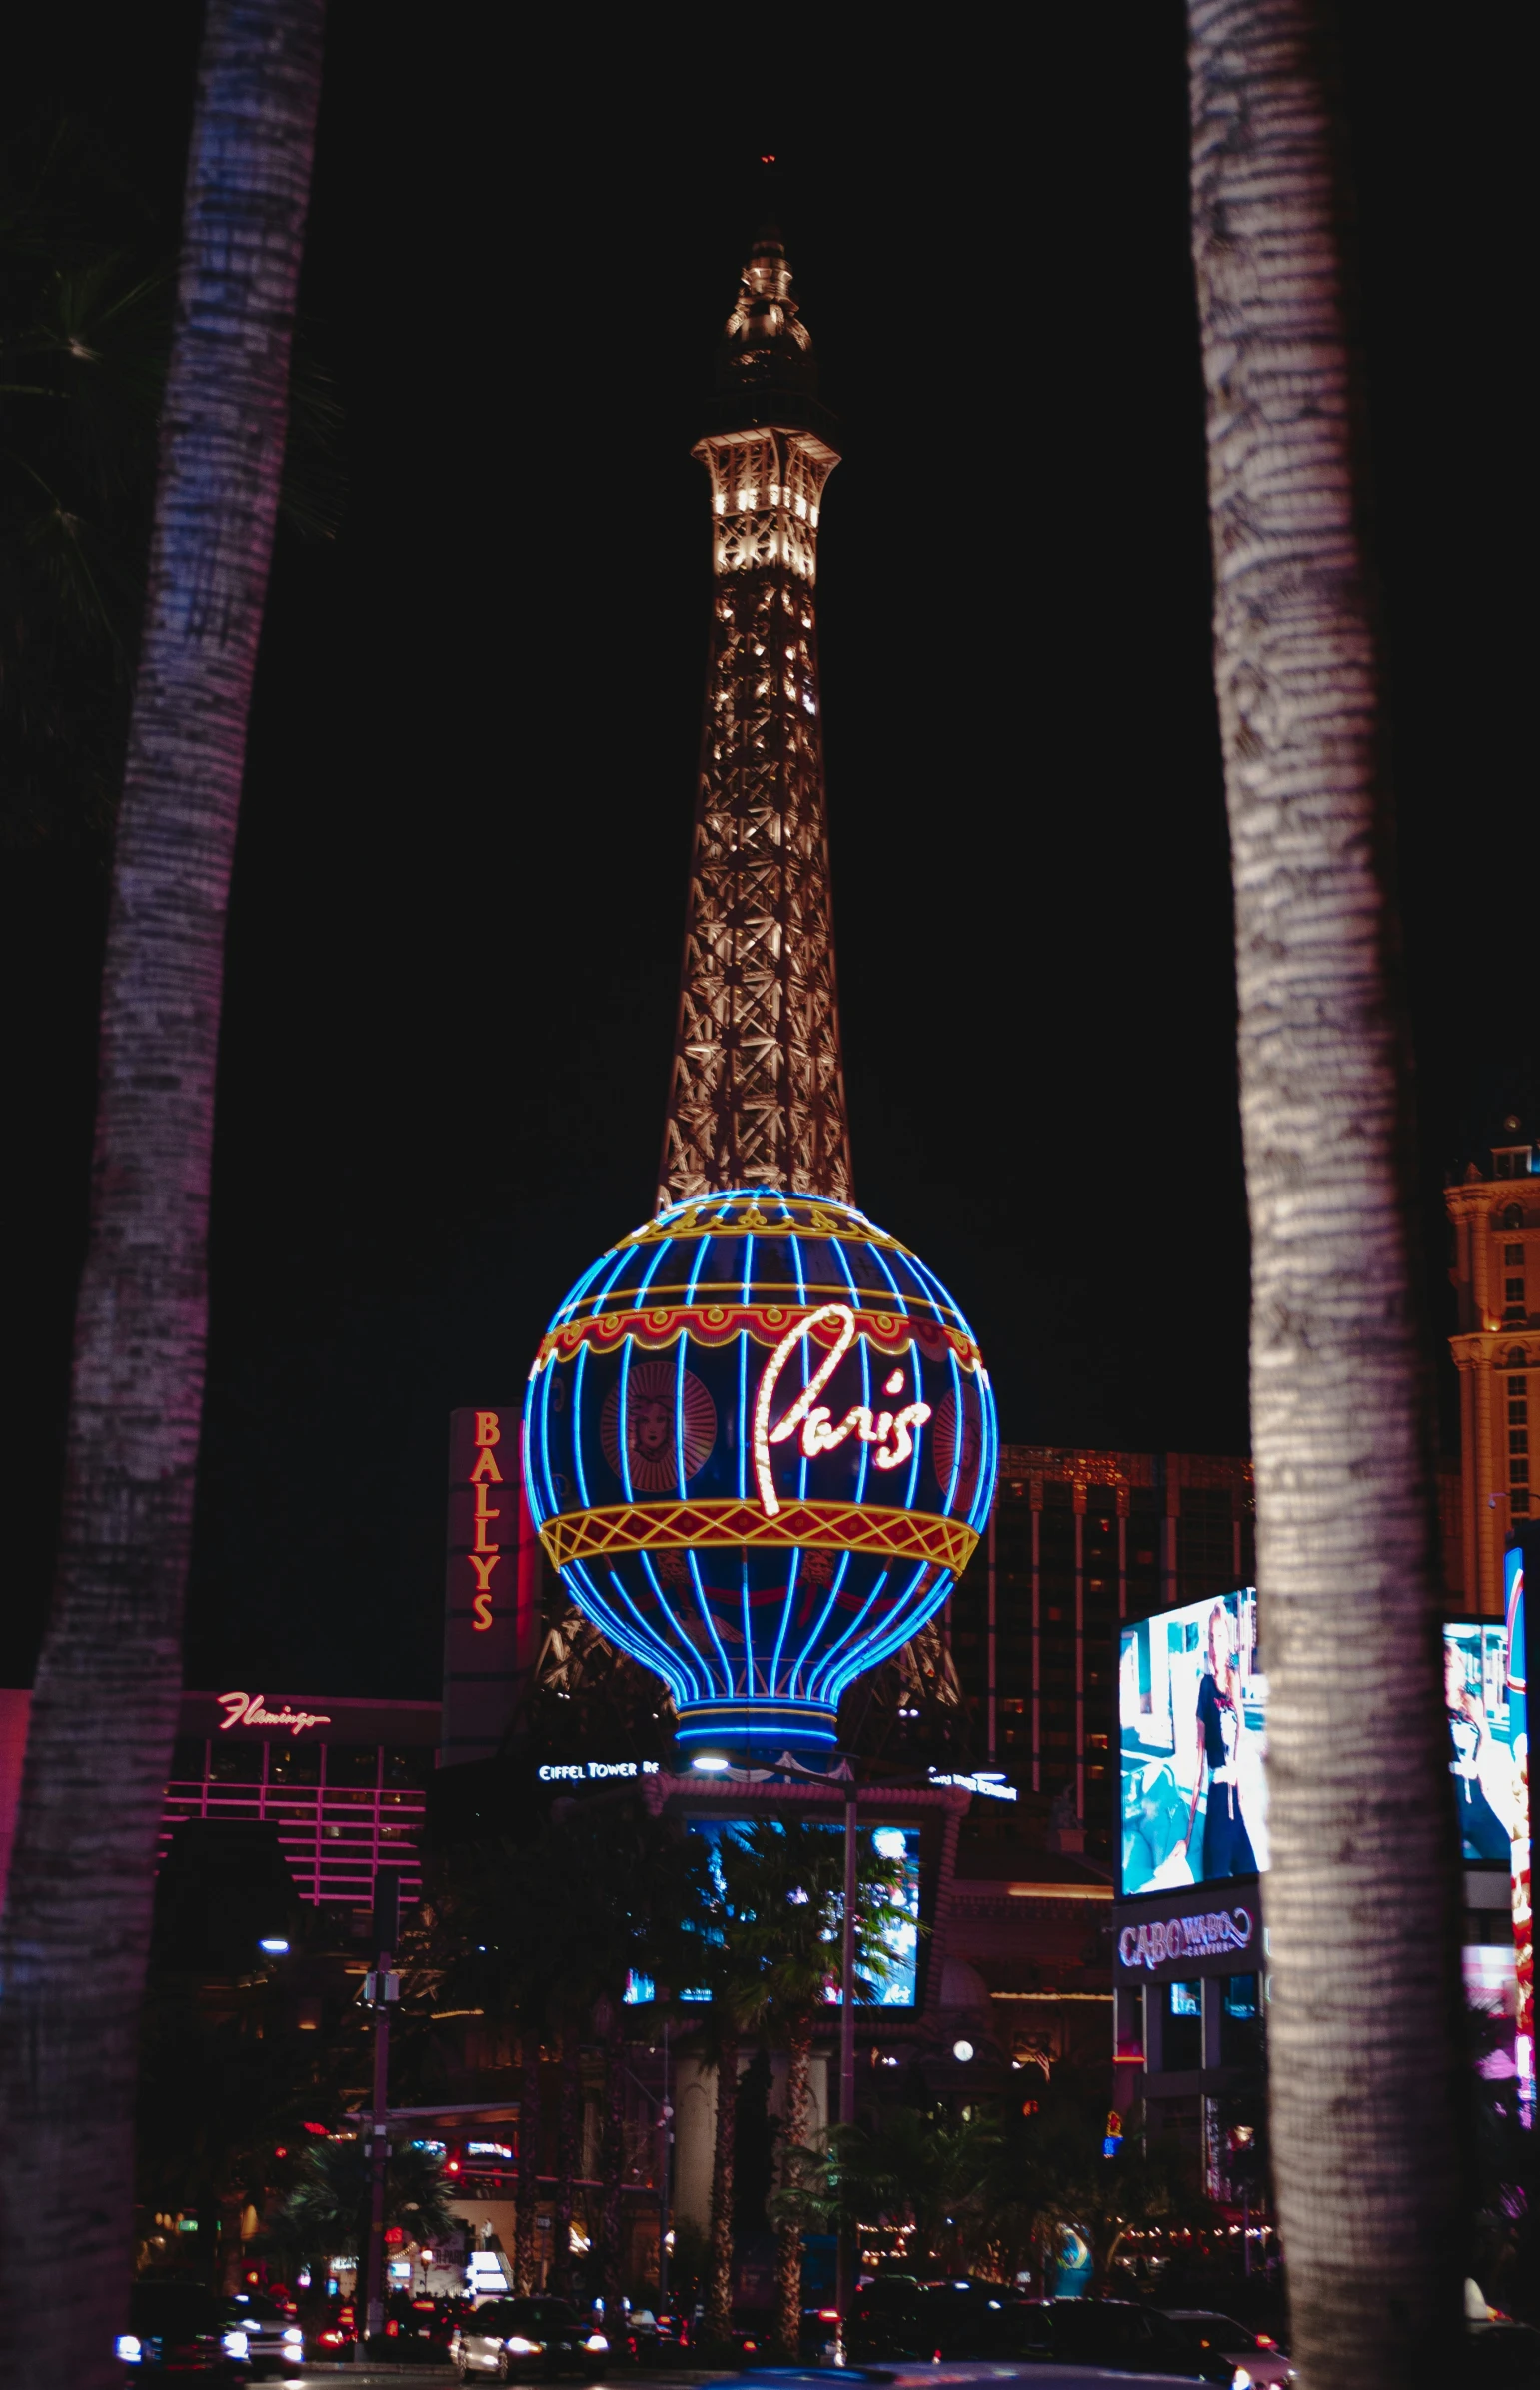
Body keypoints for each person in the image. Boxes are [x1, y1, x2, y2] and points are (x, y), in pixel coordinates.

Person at [1187, 1604, 1257, 1882]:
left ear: (1228, 1642)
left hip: (1235, 1805)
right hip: (1217, 1803)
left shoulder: (1233, 1680)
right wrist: (1188, 1834)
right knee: (1216, 1889)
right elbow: (1199, 1764)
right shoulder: (1204, 1687)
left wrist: (1237, 1768)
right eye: (1211, 1638)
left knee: (1253, 1882)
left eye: (1220, 1638)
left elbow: (1241, 1725)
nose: (1215, 1646)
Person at [1445, 1638, 1510, 1861]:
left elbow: (1486, 1736)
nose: (1445, 1672)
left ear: (1460, 1671)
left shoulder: (1472, 1702)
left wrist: (1479, 1768)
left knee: (1505, 1854)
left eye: (1450, 1666)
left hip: (1475, 1799)